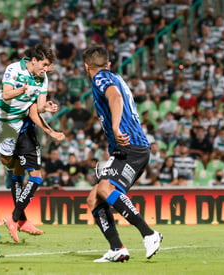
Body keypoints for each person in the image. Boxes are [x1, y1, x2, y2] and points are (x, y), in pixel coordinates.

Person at [83, 46, 162, 263]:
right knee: (94, 197)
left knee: (106, 188)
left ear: (86, 66)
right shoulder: (115, 76)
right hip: (128, 148)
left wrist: (116, 128)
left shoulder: (101, 78)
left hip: (131, 146)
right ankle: (117, 248)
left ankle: (149, 234)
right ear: (108, 63)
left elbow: (115, 97)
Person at [0, 44, 60, 187]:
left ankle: (10, 170)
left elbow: (40, 107)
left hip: (14, 122)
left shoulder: (43, 78)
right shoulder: (14, 69)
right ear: (34, 60)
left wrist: (47, 108)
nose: (46, 69)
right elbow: (6, 94)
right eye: (44, 65)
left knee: (6, 158)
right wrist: (21, 91)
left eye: (48, 66)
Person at [3, 115, 65, 242]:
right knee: (36, 177)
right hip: (25, 135)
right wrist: (51, 131)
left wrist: (44, 107)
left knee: (18, 171)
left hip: (9, 131)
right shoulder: (32, 94)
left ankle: (22, 220)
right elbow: (33, 111)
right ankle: (14, 218)